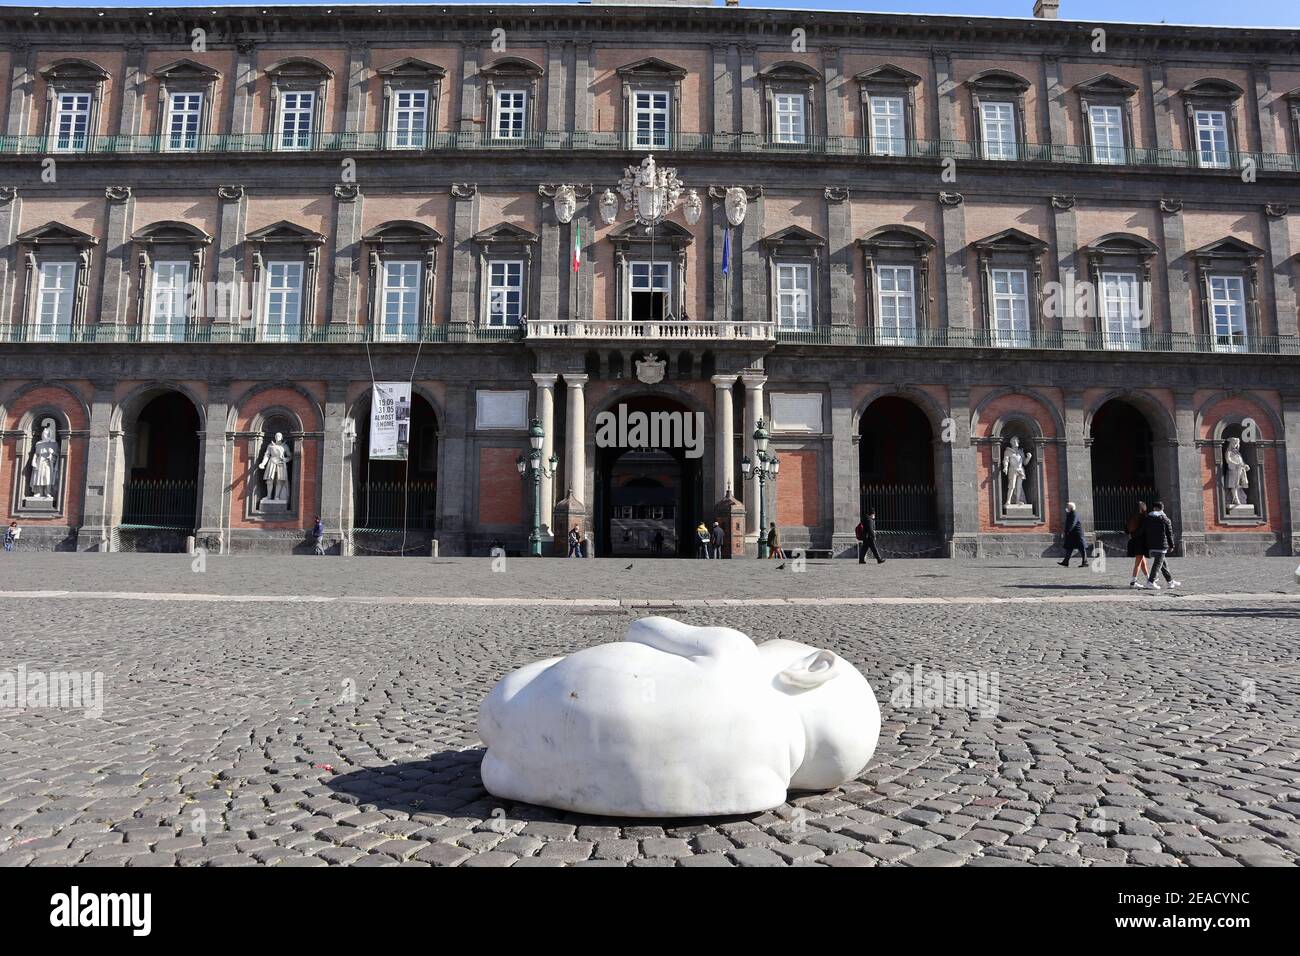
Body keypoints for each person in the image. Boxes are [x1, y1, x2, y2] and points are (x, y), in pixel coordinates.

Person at [1137, 500, 1181, 590]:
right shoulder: (1165, 519)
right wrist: (1171, 545)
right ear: (1162, 508)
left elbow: (1141, 531)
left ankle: (1170, 581)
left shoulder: (1147, 518)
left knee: (1163, 564)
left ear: (1153, 508)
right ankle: (1150, 582)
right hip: (1161, 545)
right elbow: (1169, 533)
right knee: (1157, 564)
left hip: (1150, 545)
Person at [1058, 502, 1088, 567]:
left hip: (1077, 534)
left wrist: (1067, 531)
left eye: (1068, 507)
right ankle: (1065, 562)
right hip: (1072, 534)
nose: (1067, 508)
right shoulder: (1070, 514)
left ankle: (1085, 562)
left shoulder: (1075, 514)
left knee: (1082, 548)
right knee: (1069, 548)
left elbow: (1072, 524)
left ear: (1071, 508)